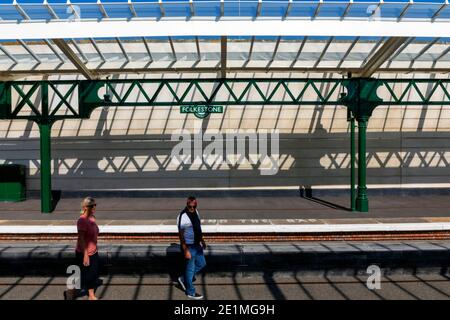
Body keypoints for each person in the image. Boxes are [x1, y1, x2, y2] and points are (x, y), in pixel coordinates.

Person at [64, 197, 100, 300]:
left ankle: (91, 296)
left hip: (93, 251)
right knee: (82, 276)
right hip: (83, 252)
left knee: (93, 274)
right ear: (85, 207)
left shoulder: (92, 218)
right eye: (91, 206)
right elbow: (81, 238)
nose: (94, 207)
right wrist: (85, 254)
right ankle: (70, 292)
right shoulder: (82, 220)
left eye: (95, 205)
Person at [177, 196, 207, 300]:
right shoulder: (183, 216)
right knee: (190, 269)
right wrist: (185, 250)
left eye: (194, 206)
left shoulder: (196, 212)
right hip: (189, 246)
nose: (193, 208)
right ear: (187, 204)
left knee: (202, 263)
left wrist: (202, 240)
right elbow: (181, 235)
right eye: (191, 206)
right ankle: (190, 292)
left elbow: (198, 228)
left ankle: (184, 278)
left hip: (197, 244)